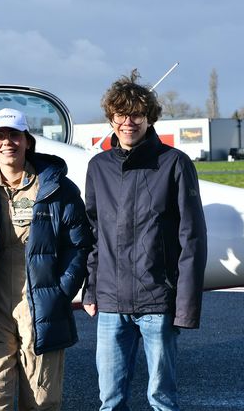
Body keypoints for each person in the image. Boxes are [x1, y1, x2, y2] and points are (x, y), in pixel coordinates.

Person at [82, 70, 207, 411]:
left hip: (158, 301)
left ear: (150, 118)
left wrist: (184, 306)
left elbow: (191, 238)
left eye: (136, 114)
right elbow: (93, 234)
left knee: (162, 398)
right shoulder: (98, 167)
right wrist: (91, 289)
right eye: (121, 114)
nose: (128, 122)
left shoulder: (175, 164)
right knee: (109, 399)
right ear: (111, 118)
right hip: (110, 303)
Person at [0, 108, 93, 410]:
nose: (8, 142)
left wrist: (60, 291)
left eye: (14, 135)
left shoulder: (58, 188)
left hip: (41, 303)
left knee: (41, 398)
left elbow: (78, 245)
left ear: (27, 141)